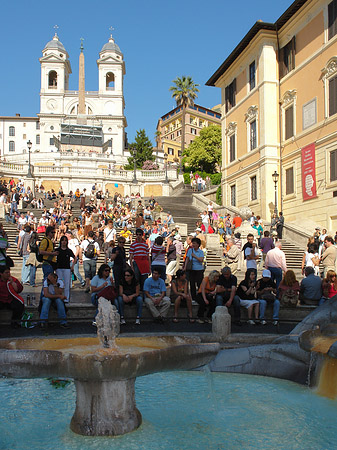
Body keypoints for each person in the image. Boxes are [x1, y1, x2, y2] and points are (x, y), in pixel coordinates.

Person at [55, 235, 76, 303]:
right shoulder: (57, 250)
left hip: (67, 268)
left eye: (65, 240)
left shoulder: (68, 250)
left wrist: (72, 266)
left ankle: (67, 298)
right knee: (59, 283)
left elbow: (75, 257)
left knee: (67, 283)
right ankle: (59, 297)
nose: (64, 242)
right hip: (59, 268)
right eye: (62, 240)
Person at [184, 237, 204, 301]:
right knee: (192, 284)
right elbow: (187, 259)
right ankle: (193, 297)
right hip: (191, 269)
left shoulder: (201, 252)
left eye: (195, 243)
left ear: (198, 244)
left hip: (199, 269)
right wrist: (185, 266)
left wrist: (195, 256)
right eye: (193, 243)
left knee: (199, 283)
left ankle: (200, 296)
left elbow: (201, 260)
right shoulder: (190, 250)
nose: (193, 245)